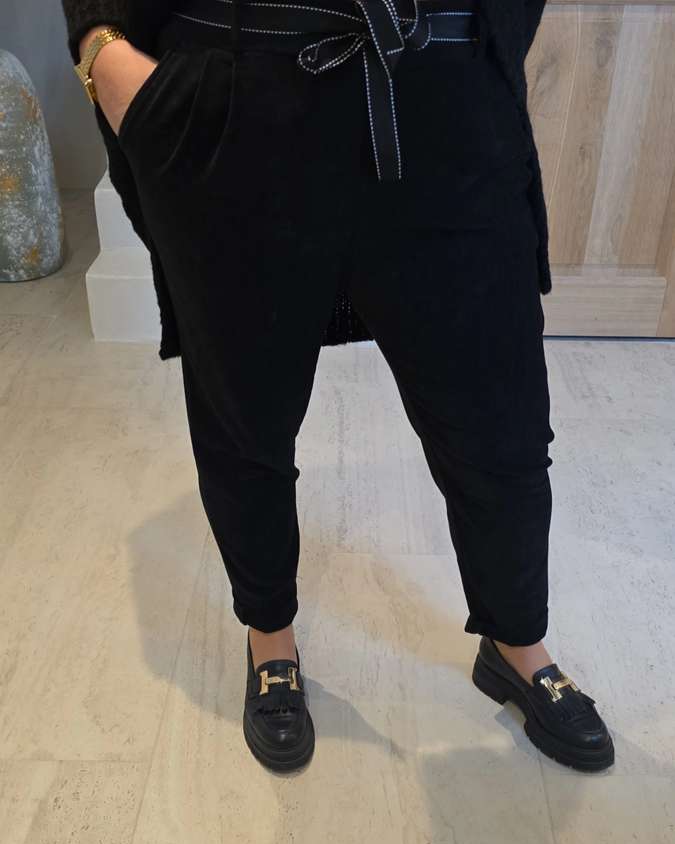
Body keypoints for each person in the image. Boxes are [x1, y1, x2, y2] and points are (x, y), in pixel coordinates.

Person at [63, 0, 615, 774]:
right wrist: (102, 48)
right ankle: (270, 639)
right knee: (243, 419)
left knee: (501, 426)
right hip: (236, 105)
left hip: (444, 94)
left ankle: (517, 643)